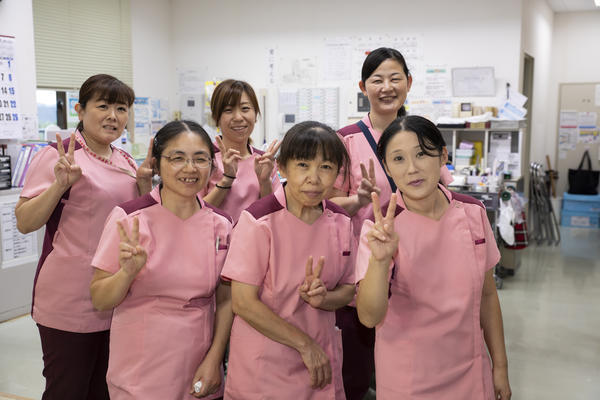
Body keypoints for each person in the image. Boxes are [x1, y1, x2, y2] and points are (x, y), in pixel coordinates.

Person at [15, 74, 152, 400]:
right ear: (80, 109)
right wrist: (59, 185)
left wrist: (145, 187)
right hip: (69, 298)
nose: (113, 116)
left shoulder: (125, 160)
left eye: (121, 109)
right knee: (68, 390)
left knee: (104, 391)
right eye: (103, 106)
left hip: (114, 294)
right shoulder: (59, 155)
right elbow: (25, 222)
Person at [355, 115, 511, 400]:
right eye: (398, 159)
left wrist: (500, 366)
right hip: (409, 379)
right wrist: (379, 261)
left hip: (471, 371)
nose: (412, 168)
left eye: (422, 154)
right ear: (387, 167)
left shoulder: (472, 212)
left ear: (443, 156)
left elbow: (488, 295)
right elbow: (368, 316)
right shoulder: (380, 228)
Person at [329, 47, 453, 400]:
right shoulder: (345, 139)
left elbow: (443, 193)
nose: (387, 87)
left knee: (413, 366)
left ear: (408, 83)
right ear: (363, 87)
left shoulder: (421, 134)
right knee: (355, 371)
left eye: (395, 78)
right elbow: (326, 206)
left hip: (419, 269)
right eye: (377, 80)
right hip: (363, 269)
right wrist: (357, 199)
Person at [89, 120, 234, 399]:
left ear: (212, 166)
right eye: (177, 158)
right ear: (156, 164)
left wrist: (215, 359)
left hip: (198, 362)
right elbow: (100, 299)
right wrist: (126, 274)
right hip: (140, 367)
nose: (190, 168)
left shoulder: (221, 224)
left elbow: (226, 299)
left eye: (200, 159)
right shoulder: (129, 219)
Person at [222, 121, 355, 399]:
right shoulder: (258, 221)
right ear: (282, 167)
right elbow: (243, 302)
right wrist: (304, 345)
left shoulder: (341, 222)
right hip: (266, 368)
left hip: (320, 362)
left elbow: (349, 288)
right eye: (303, 165)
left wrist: (325, 298)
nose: (314, 178)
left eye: (326, 167)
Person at [203, 79, 280, 222]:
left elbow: (273, 216)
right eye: (228, 110)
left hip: (255, 236)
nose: (238, 117)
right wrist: (227, 180)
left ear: (255, 115)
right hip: (215, 236)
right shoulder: (204, 159)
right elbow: (195, 212)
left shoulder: (264, 161)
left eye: (245, 109)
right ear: (216, 118)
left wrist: (264, 182)